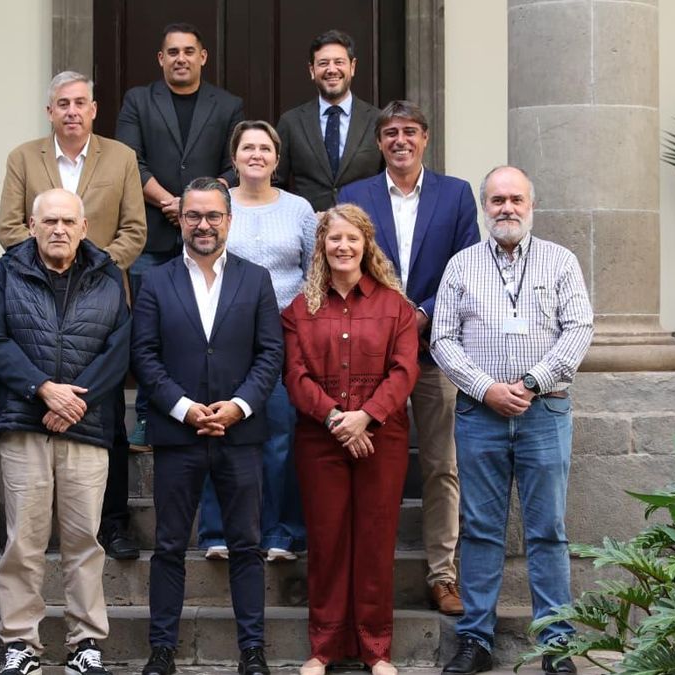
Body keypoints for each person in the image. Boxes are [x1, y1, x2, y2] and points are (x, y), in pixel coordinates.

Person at [432, 166, 593, 675]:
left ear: (532, 204)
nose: (506, 208)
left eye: (515, 199)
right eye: (497, 199)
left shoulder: (560, 262)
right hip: (479, 414)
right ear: (484, 206)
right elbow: (442, 339)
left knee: (548, 529)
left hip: (544, 411)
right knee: (480, 530)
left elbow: (579, 328)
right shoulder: (461, 266)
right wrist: (487, 389)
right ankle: (476, 641)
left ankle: (556, 644)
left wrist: (529, 383)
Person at [131, 178, 282, 675]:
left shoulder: (256, 279)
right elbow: (145, 356)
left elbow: (270, 355)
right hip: (178, 435)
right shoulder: (154, 280)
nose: (203, 224)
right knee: (170, 546)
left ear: (228, 220)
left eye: (213, 215)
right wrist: (184, 408)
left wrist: (239, 406)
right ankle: (162, 651)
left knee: (246, 544)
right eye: (193, 215)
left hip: (240, 435)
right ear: (181, 221)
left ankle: (252, 651)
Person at [0, 189, 130, 675]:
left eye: (68, 221)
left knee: (85, 538)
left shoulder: (109, 274)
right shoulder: (6, 272)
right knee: (24, 538)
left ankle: (85, 642)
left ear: (84, 226)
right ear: (32, 224)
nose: (59, 229)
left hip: (87, 426)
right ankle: (21, 642)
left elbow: (121, 348)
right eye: (50, 221)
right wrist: (43, 389)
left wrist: (74, 401)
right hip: (25, 423)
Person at [0, 70, 146, 562]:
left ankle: (115, 522)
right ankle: (35, 528)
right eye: (63, 103)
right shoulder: (23, 157)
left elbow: (133, 230)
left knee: (108, 416)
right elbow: (10, 226)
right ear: (50, 111)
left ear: (94, 108)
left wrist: (91, 263)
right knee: (38, 402)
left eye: (81, 102)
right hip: (34, 291)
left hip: (101, 293)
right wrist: (46, 255)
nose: (72, 111)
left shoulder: (121, 158)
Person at [337, 100, 479, 616]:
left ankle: (443, 575)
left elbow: (466, 269)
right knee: (371, 465)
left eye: (411, 132)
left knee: (442, 465)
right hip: (373, 355)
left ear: (425, 139)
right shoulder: (355, 195)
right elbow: (347, 260)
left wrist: (424, 312)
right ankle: (365, 573)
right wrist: (391, 318)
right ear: (379, 142)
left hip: (437, 351)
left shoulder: (456, 195)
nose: (401, 140)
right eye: (391, 133)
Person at [282, 204, 419, 675]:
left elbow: (404, 372)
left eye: (352, 239)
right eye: (334, 238)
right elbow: (295, 376)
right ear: (322, 245)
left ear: (366, 245)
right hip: (321, 440)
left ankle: (376, 650)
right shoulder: (301, 309)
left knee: (376, 543)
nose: (343, 247)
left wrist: (367, 418)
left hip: (383, 439)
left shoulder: (395, 306)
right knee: (327, 541)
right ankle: (323, 648)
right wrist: (338, 419)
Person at [116, 21, 245, 450]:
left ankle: (207, 409)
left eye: (189, 51)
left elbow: (234, 168)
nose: (181, 59)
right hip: (152, 235)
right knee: (150, 331)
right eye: (172, 52)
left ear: (203, 56)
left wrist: (197, 206)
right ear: (161, 59)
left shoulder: (228, 105)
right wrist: (171, 203)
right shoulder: (138, 100)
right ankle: (150, 419)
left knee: (203, 330)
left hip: (207, 235)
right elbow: (130, 161)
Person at [197, 120, 314, 563]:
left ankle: (280, 532)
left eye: (265, 148)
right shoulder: (219, 205)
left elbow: (311, 271)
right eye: (248, 147)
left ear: (277, 159)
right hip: (225, 333)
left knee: (281, 434)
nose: (256, 155)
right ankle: (217, 531)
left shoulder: (300, 209)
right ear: (234, 157)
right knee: (217, 429)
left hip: (285, 334)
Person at [275, 29, 382, 211]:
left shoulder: (377, 120)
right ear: (312, 70)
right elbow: (276, 184)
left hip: (364, 231)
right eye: (323, 63)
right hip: (309, 231)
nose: (332, 70)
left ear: (352, 66)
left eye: (339, 62)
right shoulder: (291, 122)